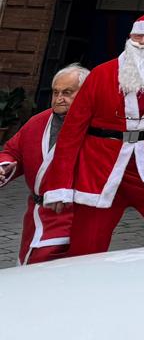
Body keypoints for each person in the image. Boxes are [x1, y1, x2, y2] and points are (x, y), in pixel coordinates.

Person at [40, 12, 144, 255]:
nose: (143, 41)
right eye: (138, 35)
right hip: (99, 166)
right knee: (86, 245)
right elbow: (71, 132)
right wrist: (60, 184)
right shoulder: (102, 73)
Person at [0, 63, 88, 265]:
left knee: (47, 269)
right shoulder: (37, 122)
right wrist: (4, 166)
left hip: (70, 216)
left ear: (86, 93)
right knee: (28, 264)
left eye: (67, 92)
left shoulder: (96, 128)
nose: (59, 98)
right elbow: (12, 152)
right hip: (35, 216)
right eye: (56, 92)